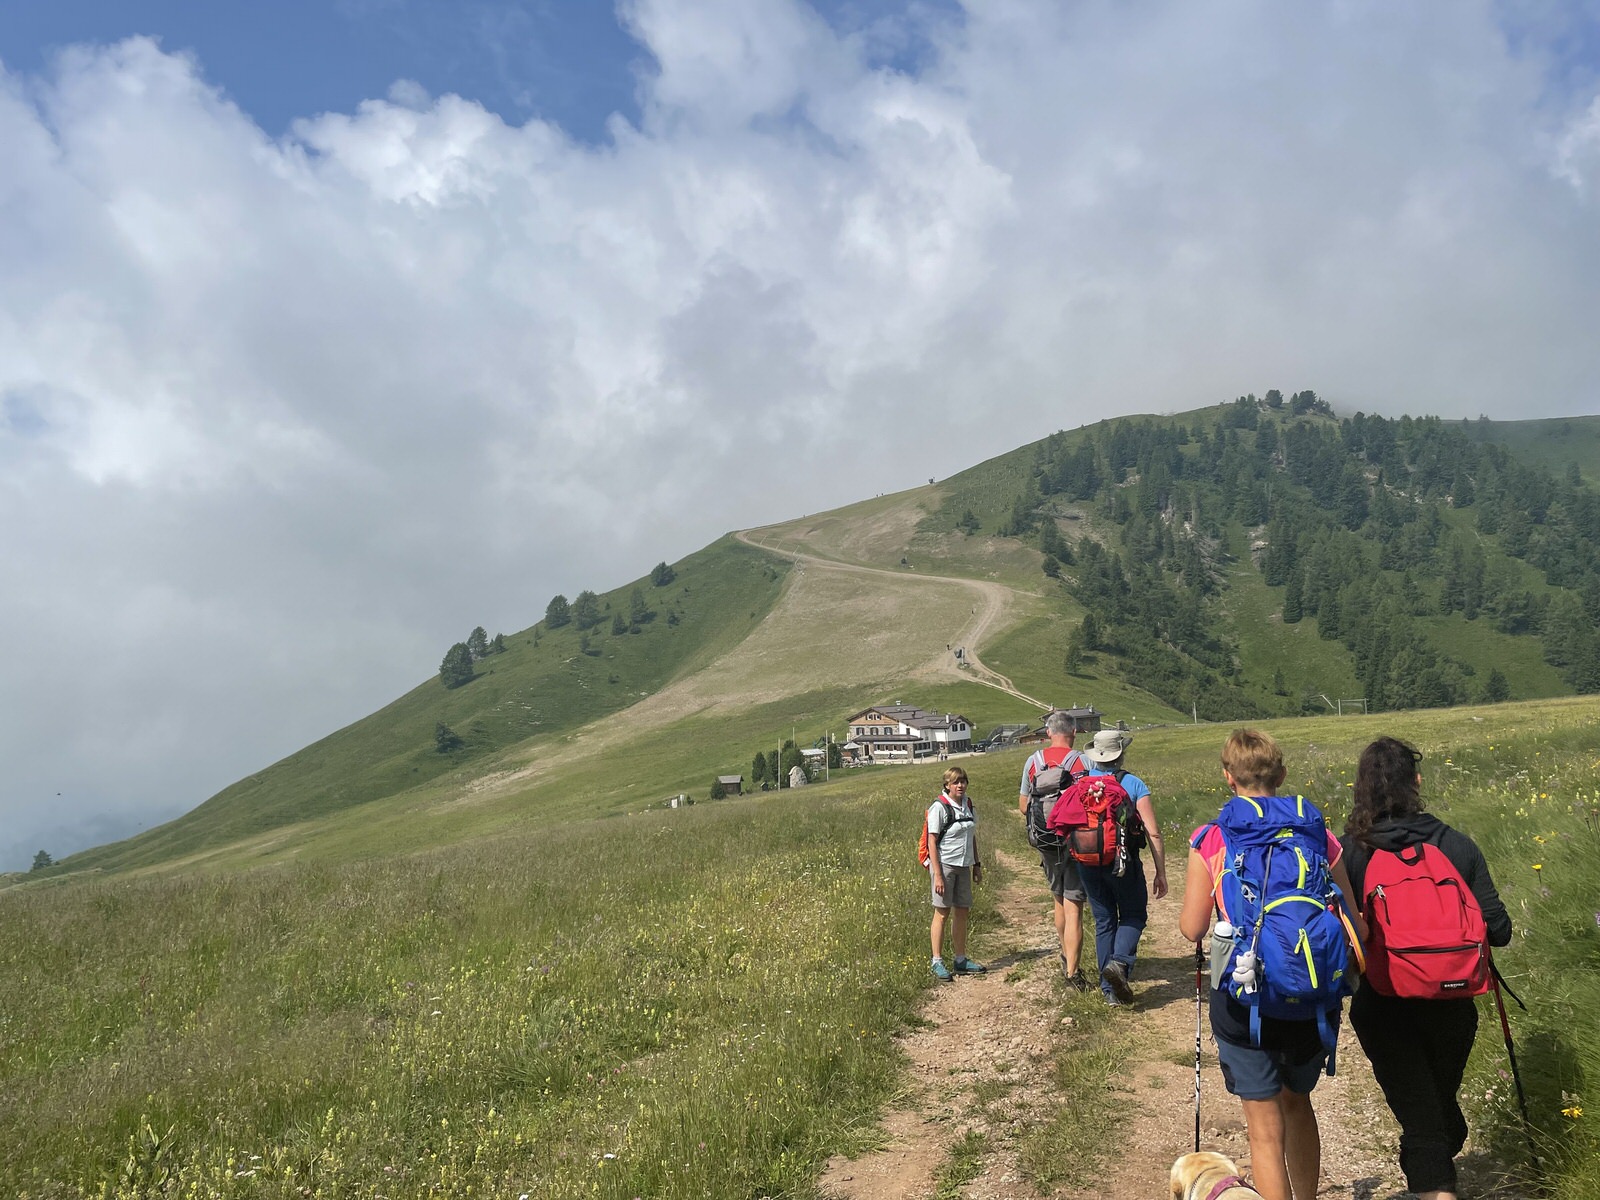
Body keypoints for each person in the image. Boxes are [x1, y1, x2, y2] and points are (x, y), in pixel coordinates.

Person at [1179, 729, 1363, 1200]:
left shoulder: (1212, 837)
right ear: (1281, 775)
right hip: (1310, 994)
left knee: (1263, 1128)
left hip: (1243, 996)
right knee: (1298, 1105)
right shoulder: (1317, 834)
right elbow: (1354, 925)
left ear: (1228, 777)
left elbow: (1191, 927)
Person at [1340, 737, 1511, 1200]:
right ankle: (1430, 1155)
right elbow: (1499, 930)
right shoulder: (1458, 845)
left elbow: (1338, 935)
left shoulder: (1348, 853)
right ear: (1416, 782)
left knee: (1423, 1118)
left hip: (1383, 1002)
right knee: (1434, 1113)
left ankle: (1431, 1174)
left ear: (1362, 790)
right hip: (1453, 1004)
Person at [1074, 729, 1167, 1005]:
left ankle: (1109, 992)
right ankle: (1120, 964)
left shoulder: (1080, 785)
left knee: (1104, 921)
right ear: (1121, 754)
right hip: (1123, 861)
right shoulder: (1133, 784)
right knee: (1134, 915)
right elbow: (1153, 832)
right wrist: (1160, 871)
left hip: (1088, 862)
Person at [1019, 712, 1089, 990]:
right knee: (1075, 907)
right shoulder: (1083, 761)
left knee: (1058, 899)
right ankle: (1073, 973)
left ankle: (1065, 954)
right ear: (1073, 731)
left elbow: (1024, 806)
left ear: (1048, 732)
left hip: (1046, 841)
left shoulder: (1033, 762)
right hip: (1074, 841)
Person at [928, 765, 985, 980]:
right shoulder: (939, 807)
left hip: (964, 865)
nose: (960, 785)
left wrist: (977, 864)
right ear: (947, 785)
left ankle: (960, 959)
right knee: (942, 912)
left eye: (963, 781)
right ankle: (937, 961)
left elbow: (972, 836)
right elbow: (932, 841)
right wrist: (938, 874)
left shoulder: (968, 804)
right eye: (955, 782)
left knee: (962, 911)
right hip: (945, 865)